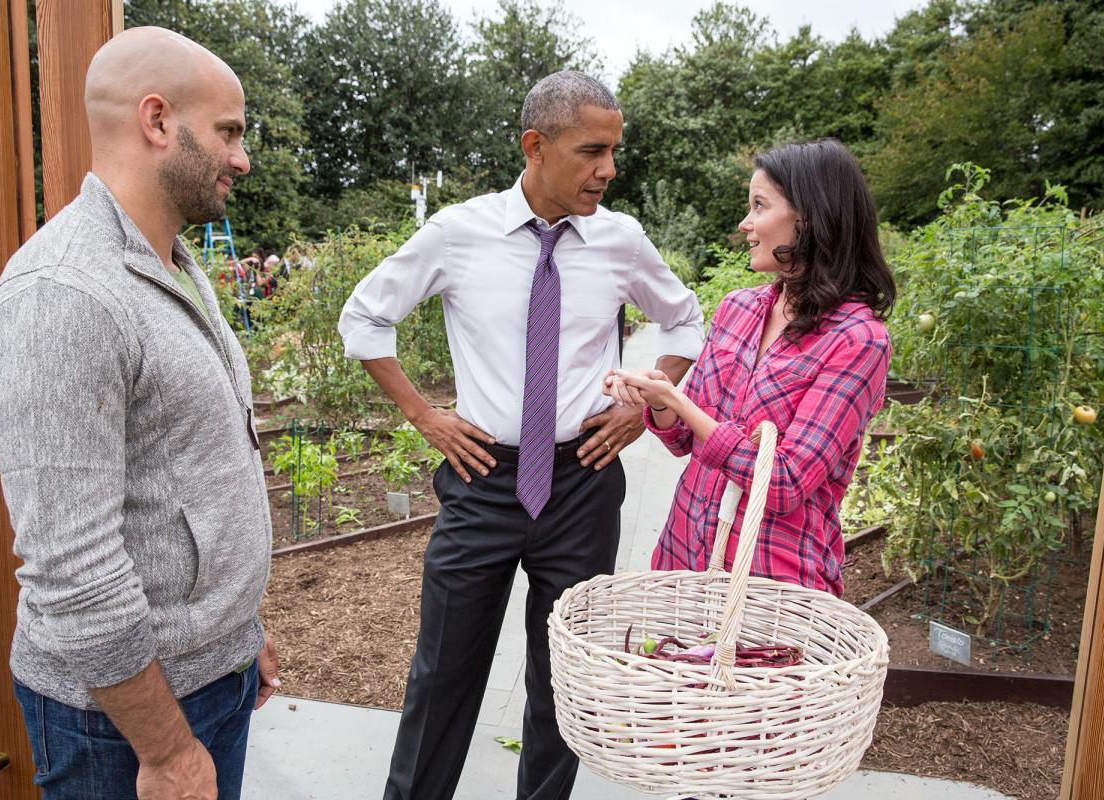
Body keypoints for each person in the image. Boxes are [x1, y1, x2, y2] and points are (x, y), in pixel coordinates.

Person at [339, 71, 704, 799]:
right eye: (592, 150)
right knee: (443, 676)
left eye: (614, 151)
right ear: (535, 147)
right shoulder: (458, 232)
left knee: (562, 683)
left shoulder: (621, 240)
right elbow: (363, 318)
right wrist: (423, 413)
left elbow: (685, 318)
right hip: (482, 484)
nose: (609, 169)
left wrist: (643, 402)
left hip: (583, 484)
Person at [0, 26, 278, 800]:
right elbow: (72, 570)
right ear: (155, 120)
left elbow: (189, 472)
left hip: (211, 678)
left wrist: (240, 637)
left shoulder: (170, 261)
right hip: (121, 724)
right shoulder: (64, 296)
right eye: (229, 132)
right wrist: (167, 750)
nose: (242, 158)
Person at [605, 138, 896, 597]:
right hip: (684, 556)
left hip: (771, 585)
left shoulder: (857, 340)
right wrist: (660, 400)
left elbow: (782, 482)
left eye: (759, 206)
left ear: (810, 217)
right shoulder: (737, 309)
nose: (745, 224)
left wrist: (678, 401)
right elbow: (684, 437)